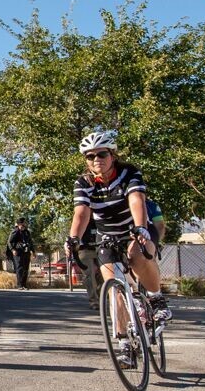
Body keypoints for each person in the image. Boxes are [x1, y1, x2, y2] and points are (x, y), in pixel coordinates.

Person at [65, 130, 171, 366]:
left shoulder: (128, 172)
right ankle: (124, 343)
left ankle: (156, 298)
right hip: (108, 235)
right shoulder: (83, 183)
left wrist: (142, 228)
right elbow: (81, 213)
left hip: (135, 227)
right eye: (90, 156)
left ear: (112, 154)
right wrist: (73, 238)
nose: (96, 160)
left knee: (136, 254)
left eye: (101, 154)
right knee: (114, 290)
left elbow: (136, 200)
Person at [7, 218, 33, 290]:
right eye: (21, 224)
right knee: (20, 268)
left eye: (24, 224)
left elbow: (30, 242)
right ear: (18, 225)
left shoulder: (27, 232)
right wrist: (13, 250)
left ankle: (24, 285)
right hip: (18, 252)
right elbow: (9, 242)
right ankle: (20, 285)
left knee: (25, 268)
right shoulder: (15, 232)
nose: (23, 225)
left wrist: (33, 251)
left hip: (26, 252)